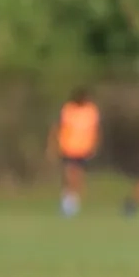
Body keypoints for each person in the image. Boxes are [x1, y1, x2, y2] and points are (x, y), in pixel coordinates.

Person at [47, 87, 101, 217]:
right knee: (69, 174)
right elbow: (57, 127)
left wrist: (95, 145)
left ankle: (73, 203)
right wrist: (53, 145)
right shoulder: (68, 110)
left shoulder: (91, 111)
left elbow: (96, 129)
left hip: (84, 149)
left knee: (78, 176)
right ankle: (67, 202)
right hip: (68, 147)